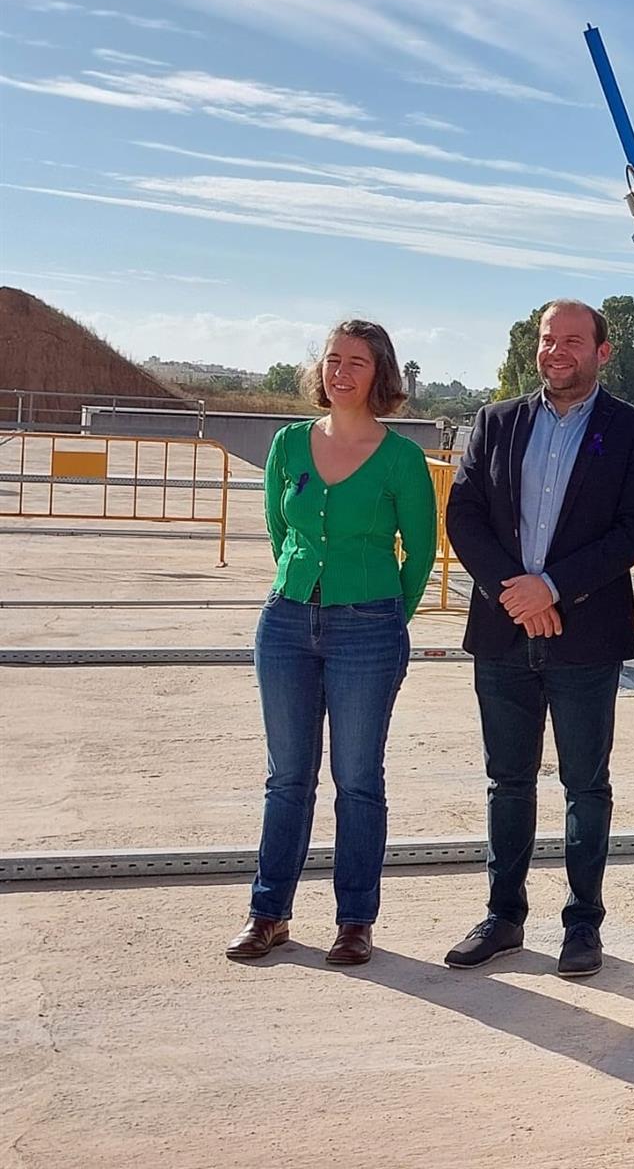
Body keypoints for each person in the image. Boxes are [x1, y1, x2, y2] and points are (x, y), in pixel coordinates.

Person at [441, 299, 634, 979]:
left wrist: (555, 587)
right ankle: (504, 916)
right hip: (503, 629)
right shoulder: (496, 421)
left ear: (603, 351)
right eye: (547, 339)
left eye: (572, 340)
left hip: (585, 634)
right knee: (506, 781)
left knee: (585, 785)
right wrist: (517, 589)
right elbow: (465, 512)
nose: (556, 350)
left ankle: (582, 925)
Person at [226, 320, 437, 967]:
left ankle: (354, 922)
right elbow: (275, 530)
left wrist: (382, 616)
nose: (341, 371)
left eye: (357, 362)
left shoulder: (401, 458)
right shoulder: (288, 444)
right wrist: (302, 589)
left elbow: (421, 553)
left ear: (381, 375)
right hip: (286, 624)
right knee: (287, 777)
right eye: (332, 359)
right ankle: (269, 914)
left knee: (358, 779)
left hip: (367, 630)